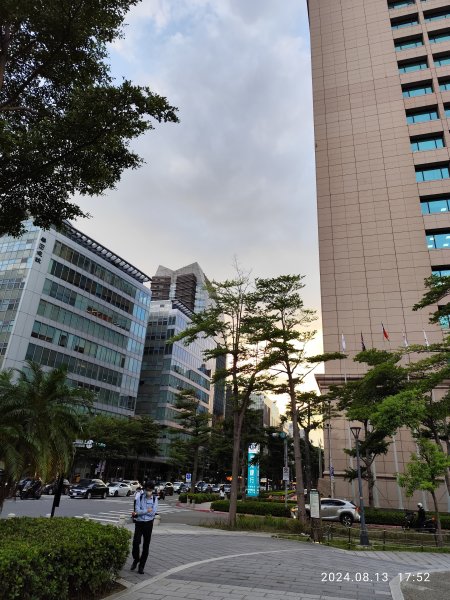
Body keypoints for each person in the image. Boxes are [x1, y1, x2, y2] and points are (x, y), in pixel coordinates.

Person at [131, 481, 158, 574]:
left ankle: (141, 566)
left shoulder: (155, 499)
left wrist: (142, 512)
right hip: (139, 522)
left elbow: (153, 512)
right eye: (147, 490)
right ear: (145, 489)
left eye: (150, 490)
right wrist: (147, 510)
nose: (148, 491)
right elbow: (137, 510)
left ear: (152, 490)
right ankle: (136, 559)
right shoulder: (140, 497)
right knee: (136, 542)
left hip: (149, 523)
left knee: (146, 545)